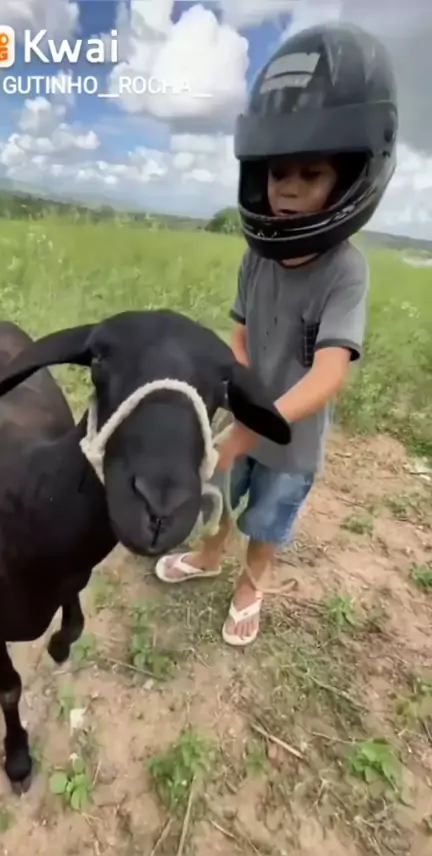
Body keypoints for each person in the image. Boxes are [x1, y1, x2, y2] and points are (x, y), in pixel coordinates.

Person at [154, 22, 398, 646]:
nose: (286, 188)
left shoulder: (345, 272)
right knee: (222, 494)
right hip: (246, 414)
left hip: (293, 440)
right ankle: (211, 557)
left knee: (265, 520)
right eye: (277, 172)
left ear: (350, 179)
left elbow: (330, 374)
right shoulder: (257, 257)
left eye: (309, 173)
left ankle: (251, 584)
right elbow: (238, 335)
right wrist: (232, 391)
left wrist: (252, 426)